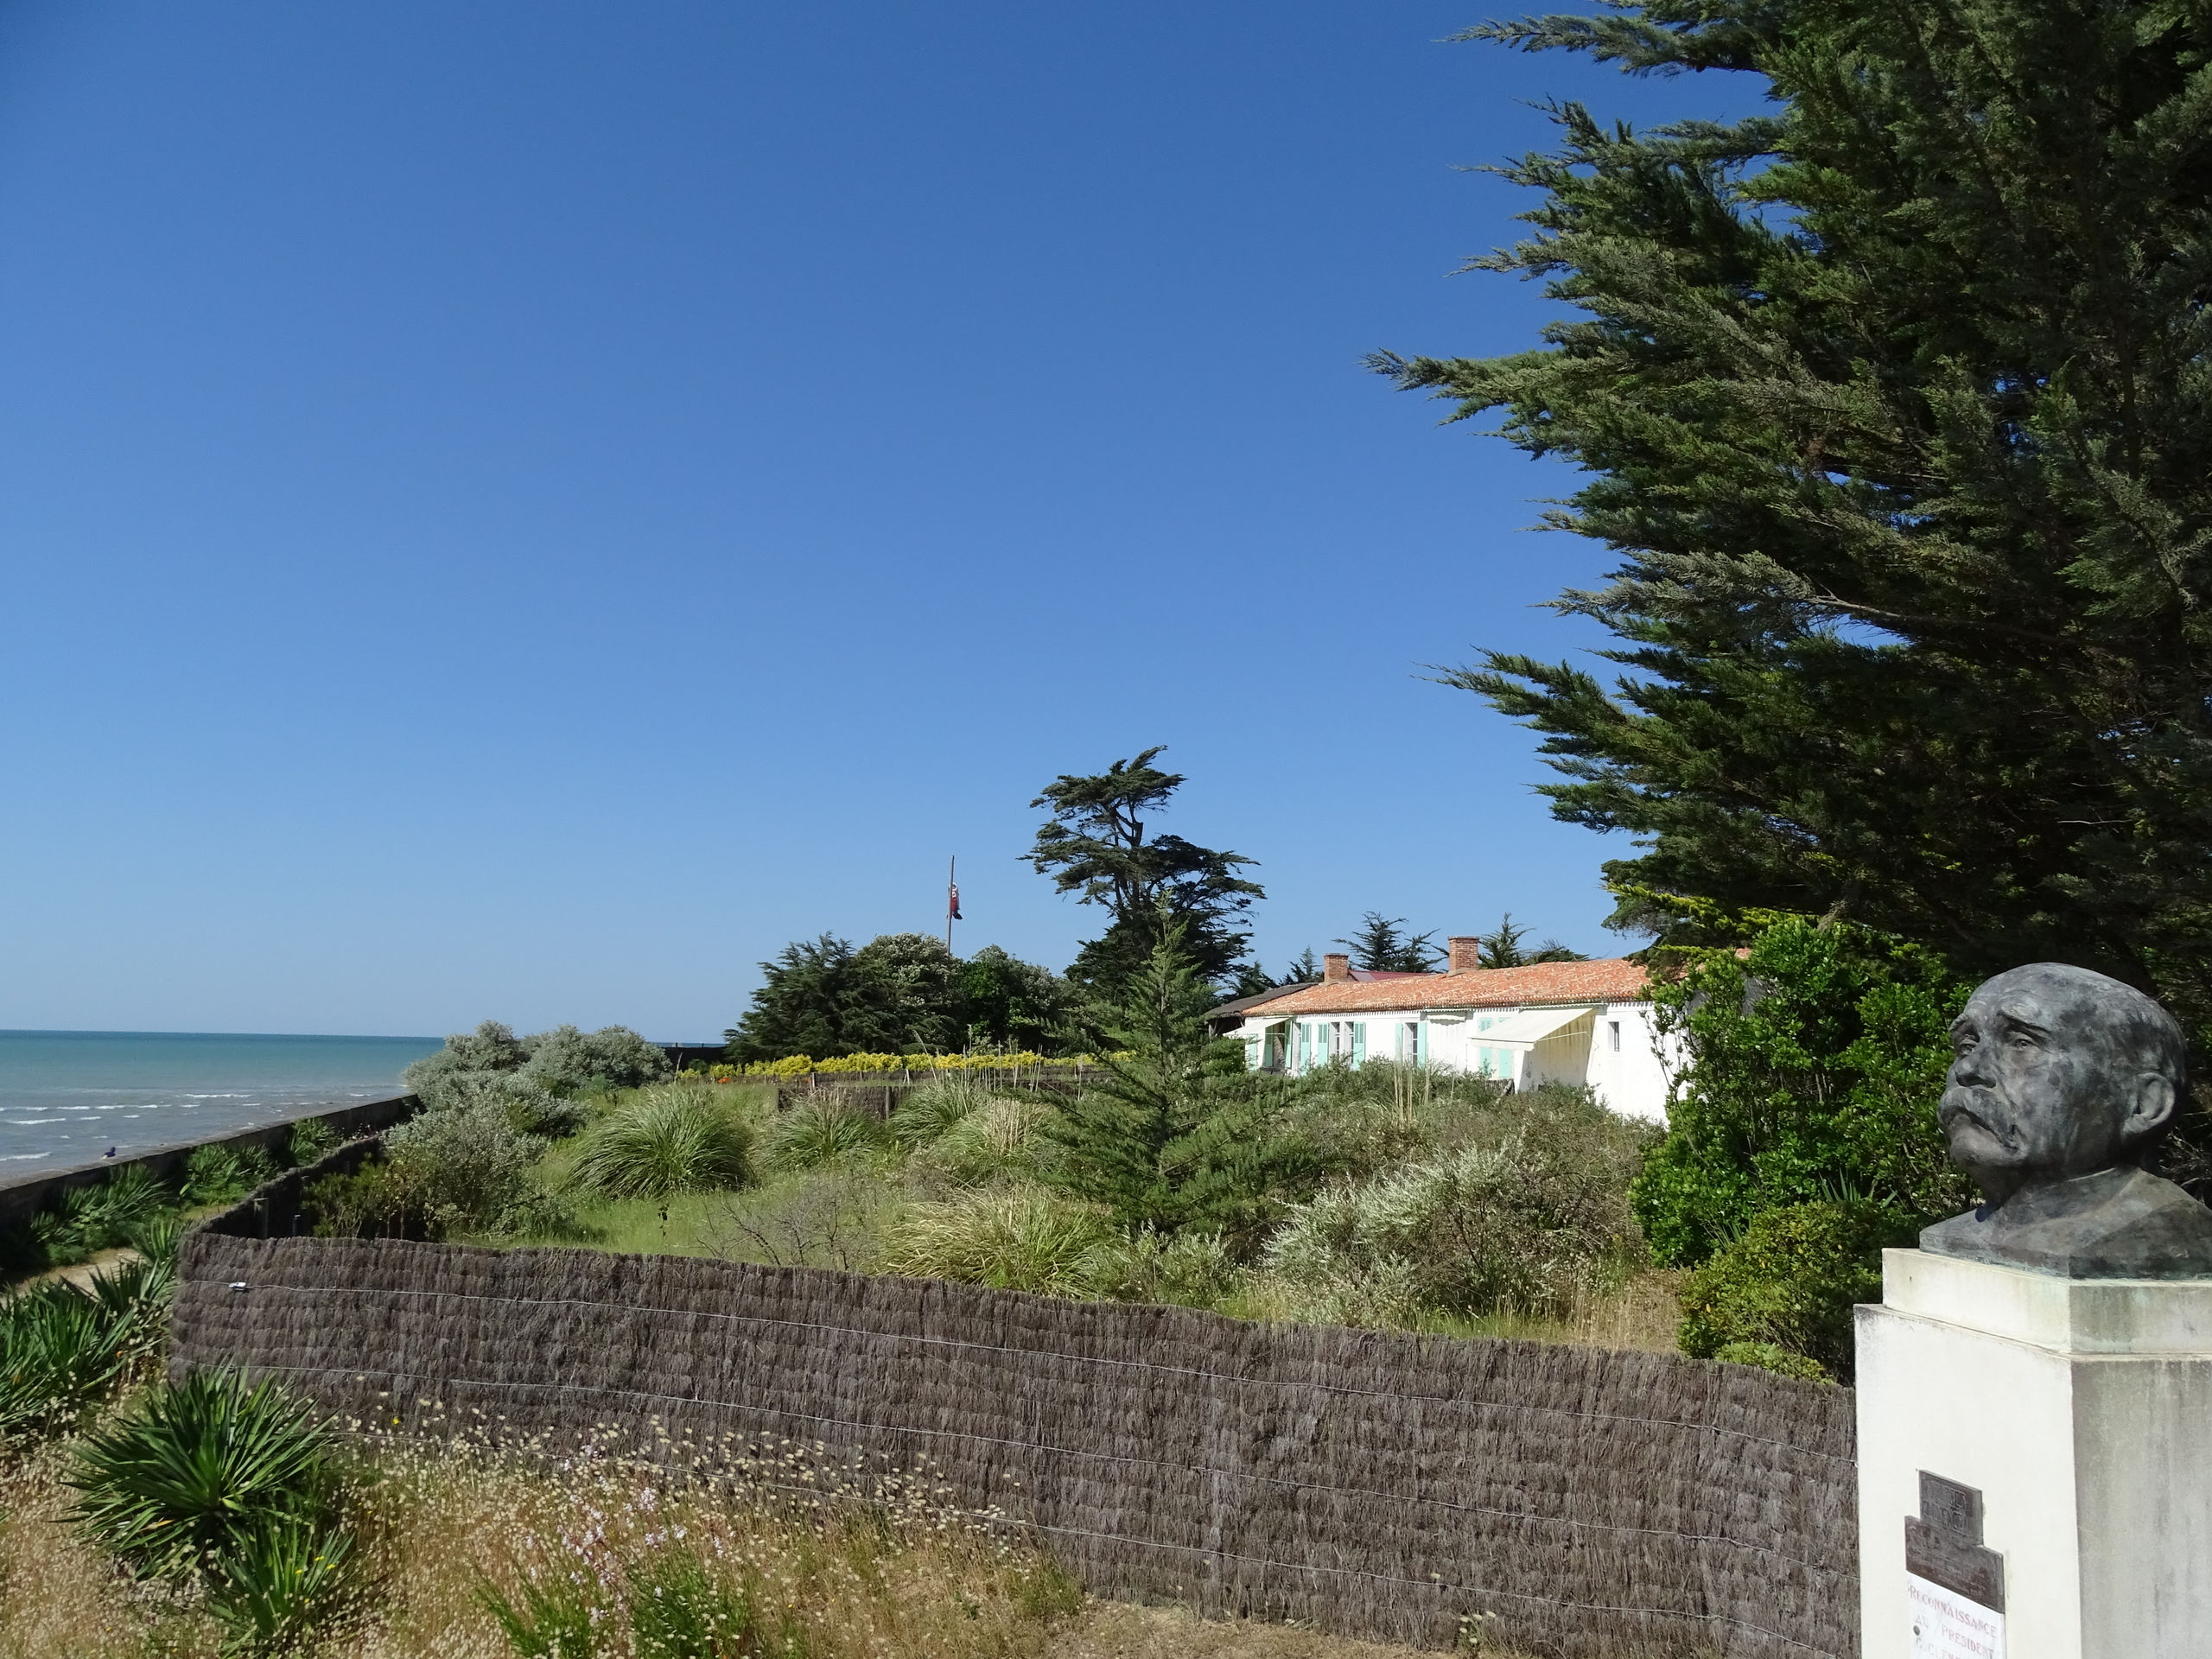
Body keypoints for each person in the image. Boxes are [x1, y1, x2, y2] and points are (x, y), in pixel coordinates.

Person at [1922, 963, 2212, 1278]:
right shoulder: (1964, 1234)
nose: (1968, 1069)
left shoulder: (2165, 1233)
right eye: (1968, 1045)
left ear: (2144, 1104)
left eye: (2022, 1042)